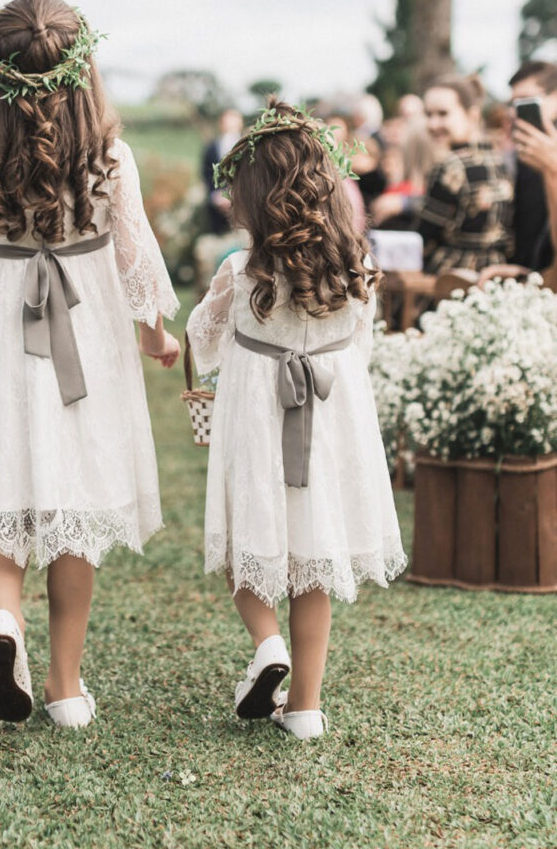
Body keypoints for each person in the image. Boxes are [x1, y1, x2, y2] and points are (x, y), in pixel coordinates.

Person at [0, 0, 180, 729]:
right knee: (76, 502)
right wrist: (156, 337)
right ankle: (65, 688)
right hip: (87, 347)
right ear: (83, 69)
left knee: (9, 480)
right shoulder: (109, 159)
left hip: (5, 339)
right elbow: (136, 265)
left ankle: (6, 617)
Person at [186, 101, 405, 741]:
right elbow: (360, 346)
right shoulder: (356, 266)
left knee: (244, 545)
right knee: (313, 558)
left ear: (254, 199)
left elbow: (202, 337)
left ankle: (266, 643)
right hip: (332, 422)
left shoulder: (239, 268)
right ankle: (305, 707)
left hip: (257, 421)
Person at [417, 75, 513, 274]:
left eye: (443, 114)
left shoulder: (451, 167)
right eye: (428, 114)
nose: (433, 124)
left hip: (453, 276)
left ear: (472, 116)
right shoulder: (501, 160)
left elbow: (425, 234)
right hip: (498, 275)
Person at [508, 60, 557, 274]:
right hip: (533, 271)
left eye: (527, 101)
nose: (516, 112)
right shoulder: (525, 151)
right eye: (514, 104)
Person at [201, 108, 243, 234]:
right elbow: (206, 173)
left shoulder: (248, 146)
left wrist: (237, 195)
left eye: (232, 120)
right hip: (217, 207)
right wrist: (216, 196)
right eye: (226, 121)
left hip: (243, 202)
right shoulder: (211, 147)